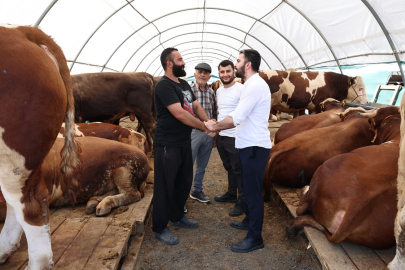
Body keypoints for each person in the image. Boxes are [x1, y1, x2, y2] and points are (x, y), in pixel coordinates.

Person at [205, 49, 271, 253]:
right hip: (247, 144)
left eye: (238, 61)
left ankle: (255, 238)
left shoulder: (254, 86)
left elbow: (237, 118)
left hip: (254, 146)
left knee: (252, 194)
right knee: (249, 188)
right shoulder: (251, 84)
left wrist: (214, 127)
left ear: (248, 64)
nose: (236, 64)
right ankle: (249, 221)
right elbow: (236, 114)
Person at [153, 47, 215, 245]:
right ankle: (160, 227)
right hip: (167, 144)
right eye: (180, 60)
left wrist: (208, 122)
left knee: (183, 180)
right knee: (164, 185)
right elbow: (179, 113)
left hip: (183, 141)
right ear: (169, 63)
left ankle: (177, 216)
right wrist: (204, 127)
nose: (184, 63)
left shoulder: (184, 84)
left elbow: (195, 106)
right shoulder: (164, 86)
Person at [214, 60, 245, 217]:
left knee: (239, 170)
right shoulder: (219, 90)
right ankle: (232, 194)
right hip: (222, 136)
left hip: (235, 137)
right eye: (222, 72)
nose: (225, 74)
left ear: (234, 71)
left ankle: (242, 201)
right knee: (229, 167)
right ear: (219, 73)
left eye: (228, 71)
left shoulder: (241, 89)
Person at [189, 63, 217, 203]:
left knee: (202, 166)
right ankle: (182, 197)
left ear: (209, 76)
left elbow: (213, 112)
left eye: (205, 73)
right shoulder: (188, 90)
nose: (202, 75)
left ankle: (197, 191)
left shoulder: (211, 92)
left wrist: (214, 131)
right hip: (193, 132)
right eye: (200, 72)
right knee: (187, 164)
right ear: (194, 74)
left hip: (208, 134)